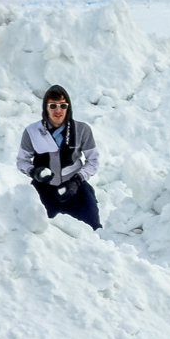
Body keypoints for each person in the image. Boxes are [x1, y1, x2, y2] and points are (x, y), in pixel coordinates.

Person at [16, 84, 100, 230]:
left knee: (93, 229)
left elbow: (93, 161)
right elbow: (22, 161)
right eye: (53, 106)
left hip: (76, 189)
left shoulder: (82, 130)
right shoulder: (32, 132)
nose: (58, 110)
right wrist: (33, 172)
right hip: (43, 190)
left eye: (63, 105)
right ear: (45, 108)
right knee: (38, 231)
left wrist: (77, 180)